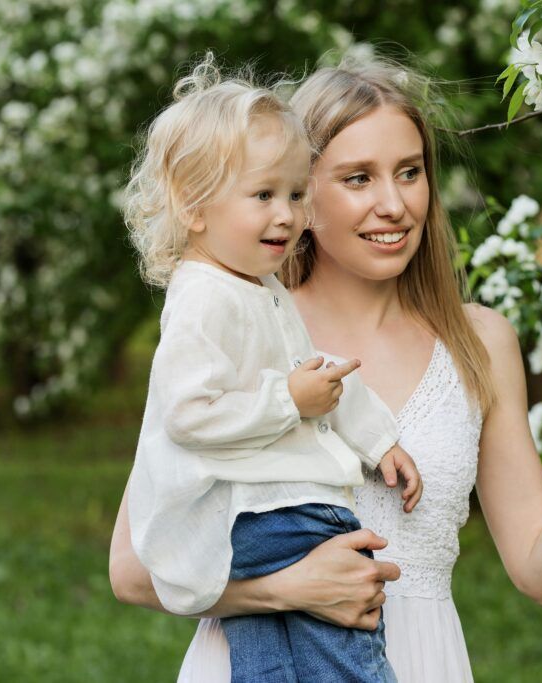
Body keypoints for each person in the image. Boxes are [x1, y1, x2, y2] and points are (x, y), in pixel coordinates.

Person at [110, 54, 542, 682]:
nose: (394, 204)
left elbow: (541, 571)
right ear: (301, 191)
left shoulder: (479, 341)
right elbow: (133, 568)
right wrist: (286, 590)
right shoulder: (236, 319)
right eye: (358, 177)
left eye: (410, 171)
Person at [120, 55, 421, 682]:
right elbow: (188, 414)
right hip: (264, 514)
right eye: (263, 195)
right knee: (346, 627)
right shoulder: (206, 298)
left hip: (248, 521)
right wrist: (288, 399)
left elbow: (320, 374)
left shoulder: (254, 287)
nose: (286, 214)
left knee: (264, 655)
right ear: (193, 207)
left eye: (293, 194)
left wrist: (376, 436)